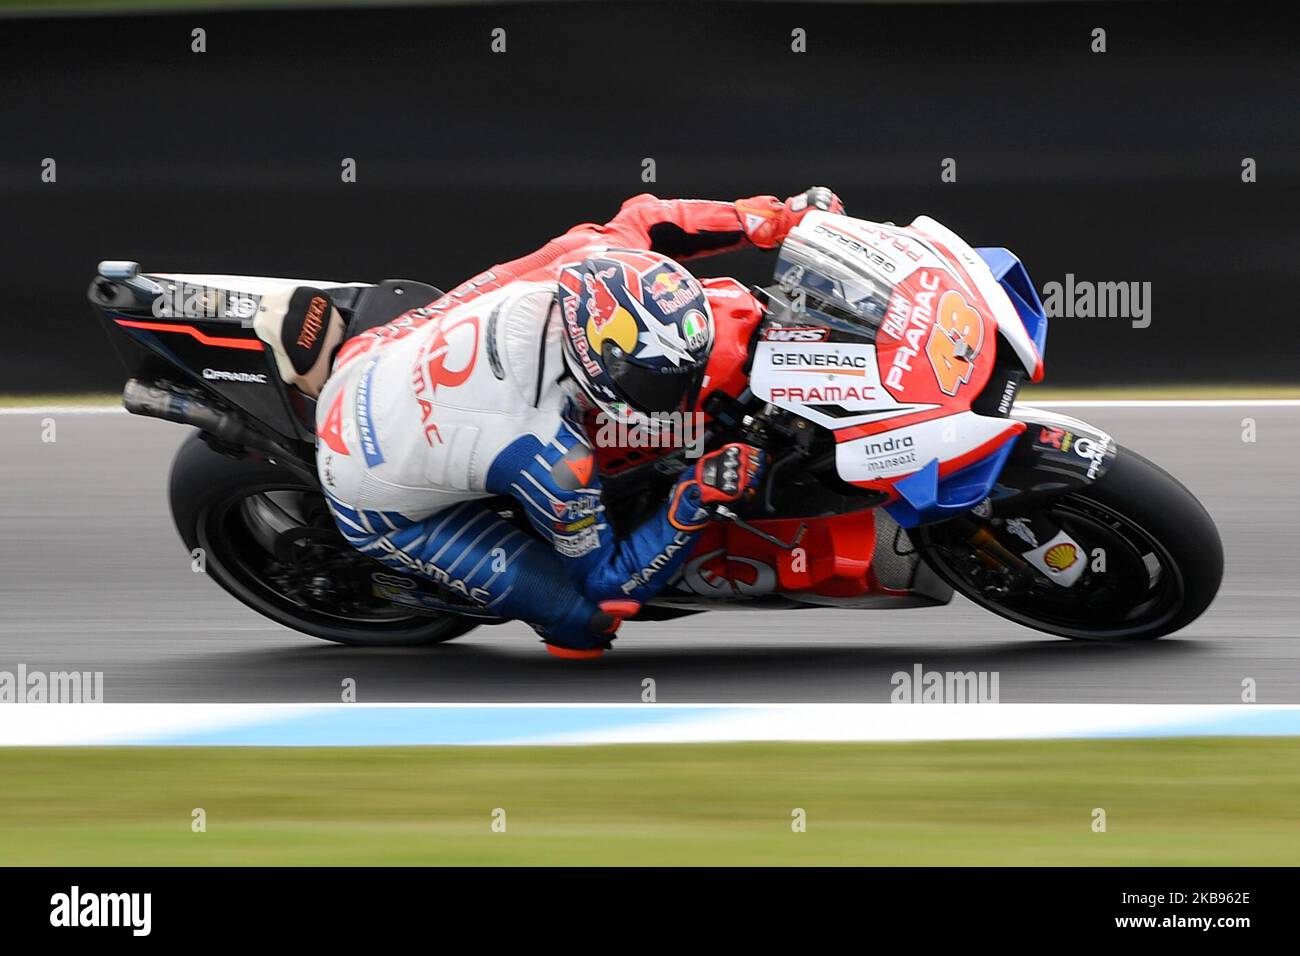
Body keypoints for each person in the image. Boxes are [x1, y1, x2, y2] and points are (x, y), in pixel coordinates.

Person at [313, 187, 844, 657]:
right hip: (366, 482)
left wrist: (776, 219)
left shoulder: (592, 259)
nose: (675, 395)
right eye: (657, 383)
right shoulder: (551, 457)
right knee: (585, 623)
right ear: (598, 363)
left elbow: (652, 215)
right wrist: (694, 496)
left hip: (377, 349)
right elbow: (610, 583)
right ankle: (406, 578)